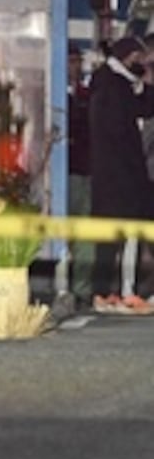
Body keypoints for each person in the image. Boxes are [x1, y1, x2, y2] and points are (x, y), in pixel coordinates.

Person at [88, 33, 154, 313]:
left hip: (115, 176)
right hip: (121, 176)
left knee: (113, 237)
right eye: (140, 59)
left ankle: (108, 292)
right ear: (129, 57)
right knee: (123, 236)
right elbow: (132, 117)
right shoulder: (113, 86)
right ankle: (117, 292)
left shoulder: (111, 82)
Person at [66, 43, 93, 308]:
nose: (74, 66)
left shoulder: (88, 94)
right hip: (62, 169)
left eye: (77, 61)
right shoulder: (53, 95)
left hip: (85, 168)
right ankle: (61, 284)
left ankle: (81, 287)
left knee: (85, 228)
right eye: (70, 61)